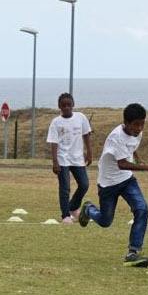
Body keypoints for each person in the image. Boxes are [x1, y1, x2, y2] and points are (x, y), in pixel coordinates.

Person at [77, 103, 148, 267]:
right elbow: (122, 164)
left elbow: (132, 146)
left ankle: (133, 253)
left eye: (142, 124)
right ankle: (88, 209)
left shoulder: (136, 134)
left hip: (127, 180)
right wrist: (147, 167)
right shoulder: (116, 137)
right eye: (136, 124)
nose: (140, 128)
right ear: (126, 123)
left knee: (142, 209)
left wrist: (138, 157)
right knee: (105, 221)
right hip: (108, 184)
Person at [47, 92, 93, 222]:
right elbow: (53, 142)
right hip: (62, 159)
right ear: (59, 107)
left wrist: (89, 152)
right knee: (65, 187)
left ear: (73, 105)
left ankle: (73, 207)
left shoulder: (81, 118)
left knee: (84, 184)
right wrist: (55, 161)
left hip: (77, 158)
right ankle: (65, 215)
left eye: (69, 105)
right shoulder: (56, 122)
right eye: (63, 105)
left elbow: (86, 135)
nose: (66, 107)